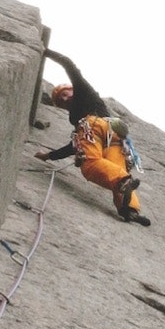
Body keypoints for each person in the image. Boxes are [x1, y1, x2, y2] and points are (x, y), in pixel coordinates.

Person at [34, 48, 151, 226]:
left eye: (65, 93)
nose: (65, 98)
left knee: (90, 164)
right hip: (114, 137)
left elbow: (69, 65)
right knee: (115, 170)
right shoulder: (76, 115)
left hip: (94, 125)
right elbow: (74, 146)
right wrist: (48, 156)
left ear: (72, 89)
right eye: (61, 99)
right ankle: (130, 210)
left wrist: (46, 51)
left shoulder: (82, 93)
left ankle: (123, 183)